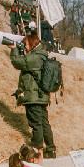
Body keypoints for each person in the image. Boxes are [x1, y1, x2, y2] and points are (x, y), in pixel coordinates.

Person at [9, 22, 57, 159]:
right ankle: (51, 150)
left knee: (36, 124)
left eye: (26, 45)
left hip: (34, 96)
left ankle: (37, 151)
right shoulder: (42, 55)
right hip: (41, 96)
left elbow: (18, 62)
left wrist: (14, 49)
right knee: (44, 123)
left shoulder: (35, 57)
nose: (25, 47)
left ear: (31, 43)